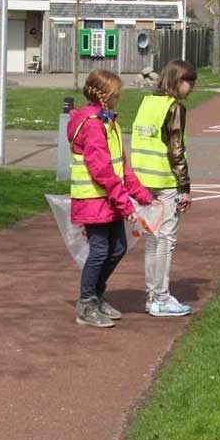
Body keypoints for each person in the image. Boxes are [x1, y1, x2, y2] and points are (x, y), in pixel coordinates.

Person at [69, 70, 154, 328]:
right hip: (94, 200)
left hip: (108, 200)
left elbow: (121, 166)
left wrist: (142, 195)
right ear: (105, 96)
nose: (119, 98)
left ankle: (95, 295)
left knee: (117, 248)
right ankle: (86, 303)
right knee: (99, 251)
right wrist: (126, 205)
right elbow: (102, 170)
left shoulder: (108, 122)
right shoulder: (93, 125)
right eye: (116, 94)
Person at [131, 60, 196, 317]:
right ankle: (160, 297)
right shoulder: (174, 108)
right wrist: (184, 187)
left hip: (143, 180)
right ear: (177, 81)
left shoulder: (147, 103)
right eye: (189, 82)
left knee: (153, 238)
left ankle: (153, 295)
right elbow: (176, 150)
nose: (191, 88)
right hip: (165, 181)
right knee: (166, 240)